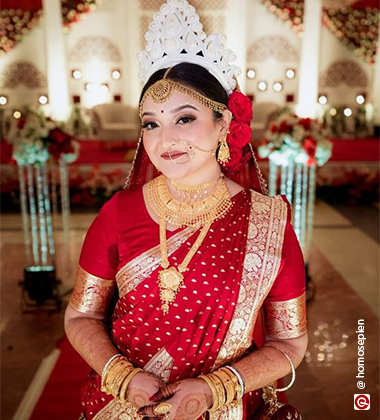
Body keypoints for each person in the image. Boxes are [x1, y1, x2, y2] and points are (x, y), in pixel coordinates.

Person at [64, 1, 308, 419]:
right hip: (119, 408)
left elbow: (290, 343)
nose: (165, 139)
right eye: (151, 123)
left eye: (185, 118)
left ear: (223, 123)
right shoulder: (118, 212)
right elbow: (80, 315)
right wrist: (122, 376)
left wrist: (215, 389)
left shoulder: (268, 221)